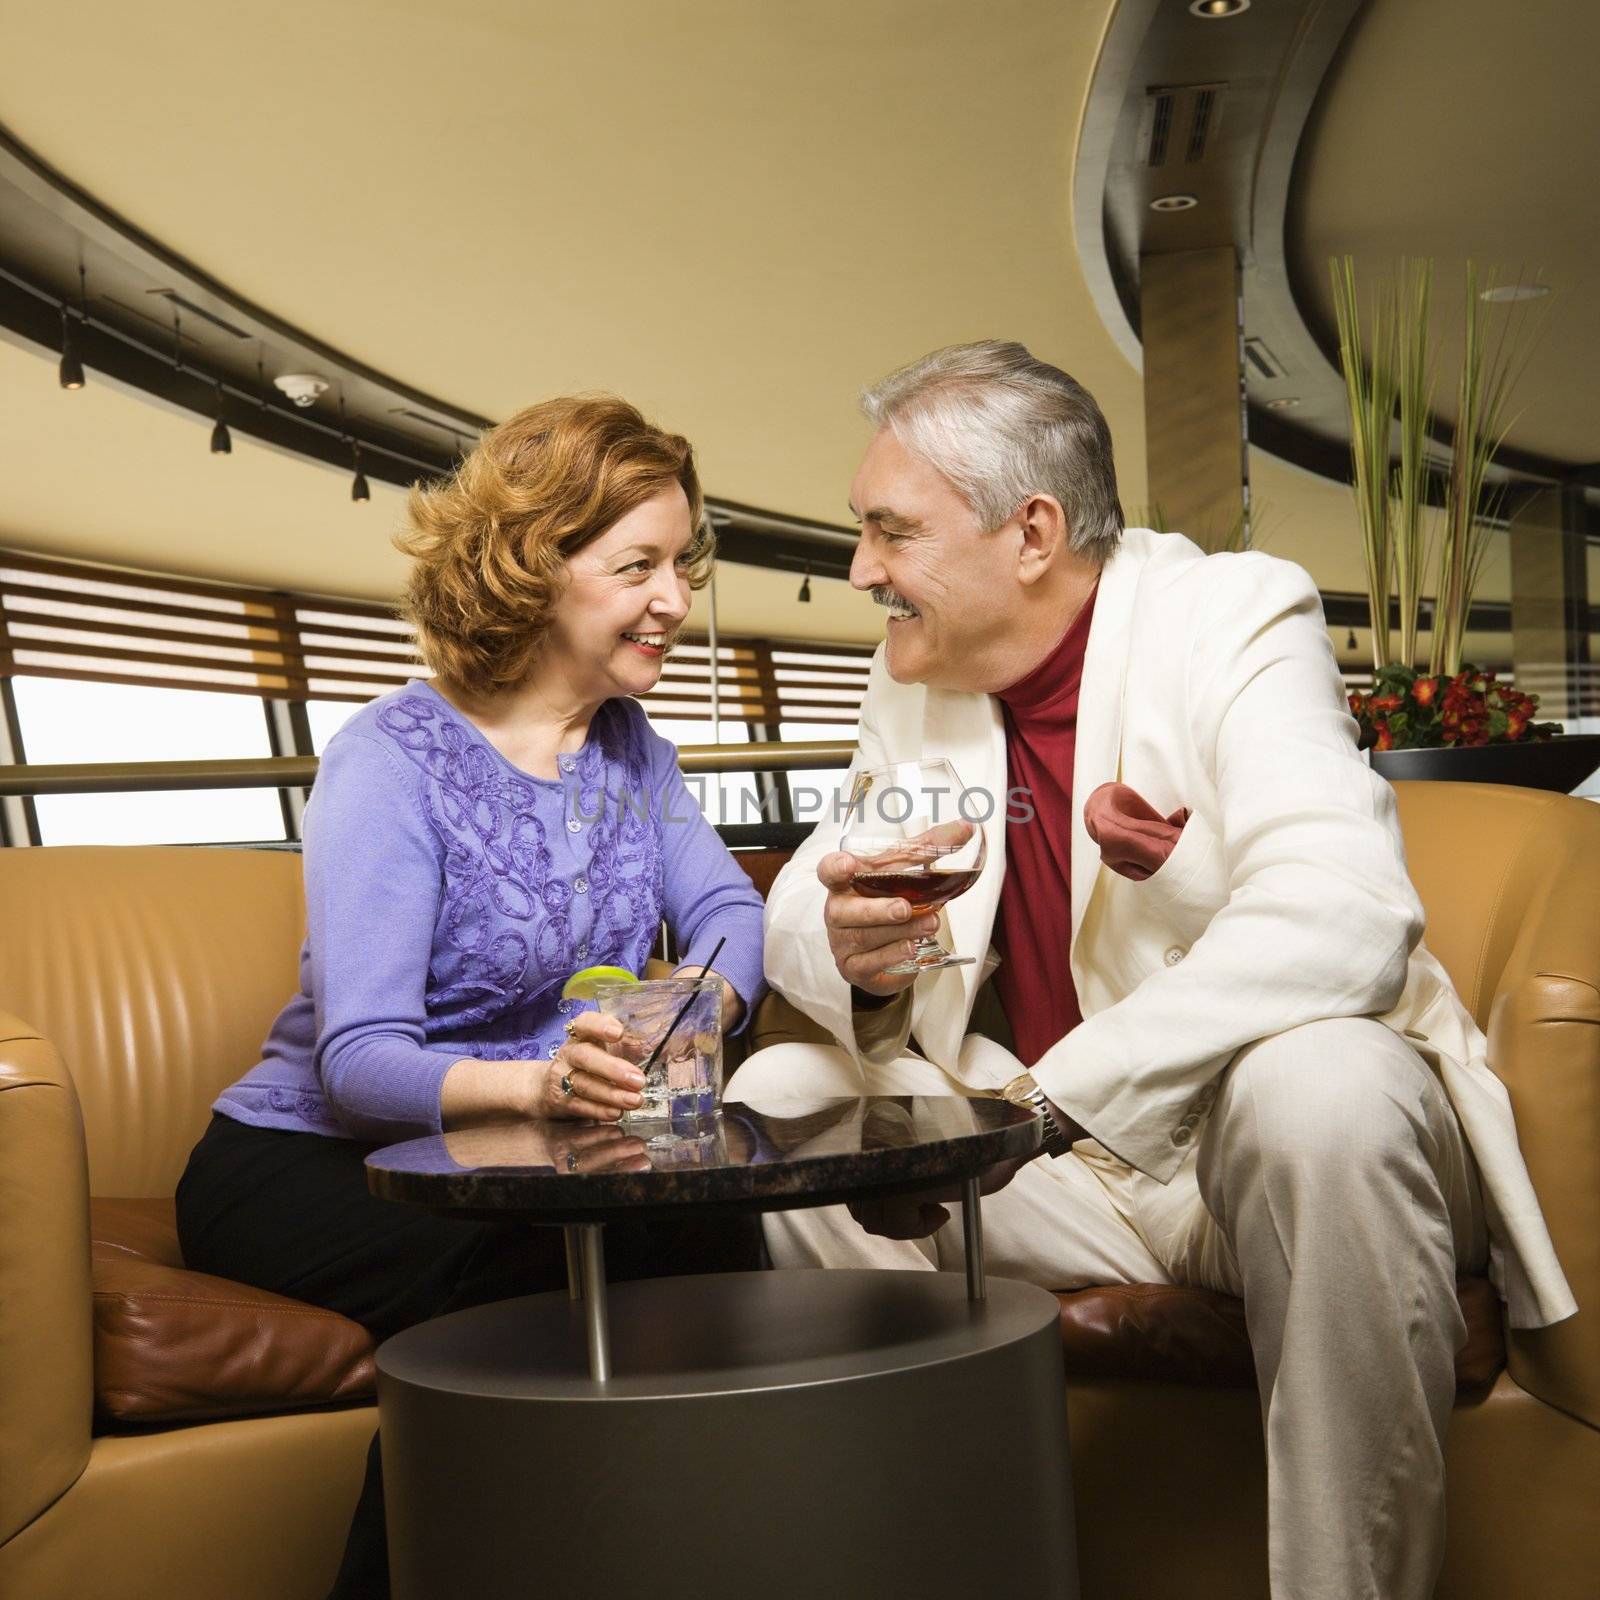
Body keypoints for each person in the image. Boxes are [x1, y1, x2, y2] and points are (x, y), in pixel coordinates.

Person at [728, 340, 1575, 1600]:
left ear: (1031, 532)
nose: (862, 571)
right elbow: (823, 873)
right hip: (1065, 1168)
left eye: (889, 533)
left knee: (1322, 1085)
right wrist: (848, 947)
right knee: (786, 1101)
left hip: (1249, 1143)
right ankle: (951, 1554)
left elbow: (1345, 911)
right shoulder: (915, 671)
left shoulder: (1234, 616)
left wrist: (1033, 1108)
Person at [176, 395, 767, 1598]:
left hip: (524, 1163)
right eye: (638, 565)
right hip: (312, 1161)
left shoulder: (630, 751)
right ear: (533, 569)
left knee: (713, 1230)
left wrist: (696, 1011)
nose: (675, 599)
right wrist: (546, 1088)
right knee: (538, 1283)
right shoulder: (389, 761)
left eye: (681, 564)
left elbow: (729, 914)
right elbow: (358, 1060)